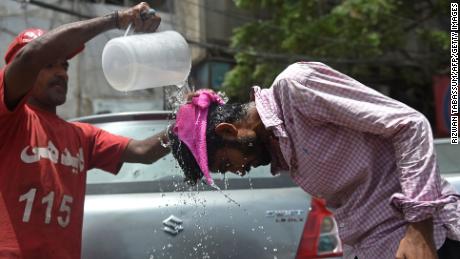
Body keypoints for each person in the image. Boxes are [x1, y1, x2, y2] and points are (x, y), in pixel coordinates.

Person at [168, 62, 460, 259]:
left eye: (226, 163)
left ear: (228, 131)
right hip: (376, 248)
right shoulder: (279, 148)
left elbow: (410, 125)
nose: (238, 171)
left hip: (428, 240)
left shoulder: (297, 88)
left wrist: (418, 230)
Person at [0, 3, 171, 258]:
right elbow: (32, 55)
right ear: (21, 70)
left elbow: (144, 151)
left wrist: (191, 121)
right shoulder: (10, 118)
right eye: (49, 66)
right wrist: (116, 19)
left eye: (64, 66)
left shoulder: (81, 136)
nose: (61, 73)